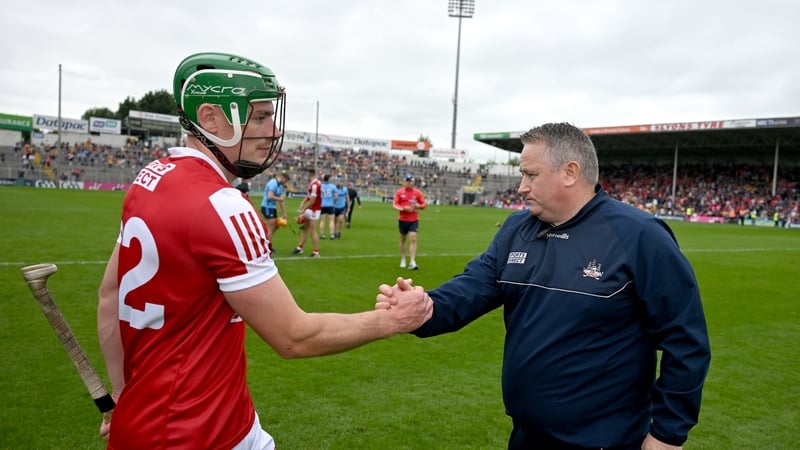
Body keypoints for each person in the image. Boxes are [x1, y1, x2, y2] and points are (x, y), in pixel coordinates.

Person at [96, 52, 432, 450]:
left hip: (155, 420)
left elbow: (109, 297)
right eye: (258, 117)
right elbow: (294, 336)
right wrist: (391, 321)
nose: (272, 131)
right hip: (203, 432)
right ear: (209, 118)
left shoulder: (148, 179)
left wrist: (120, 395)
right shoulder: (222, 204)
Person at [377, 122, 711, 450]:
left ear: (569, 172)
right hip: (526, 435)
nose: (521, 187)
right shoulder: (517, 229)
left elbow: (685, 340)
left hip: (604, 441)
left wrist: (667, 434)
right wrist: (424, 308)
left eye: (531, 175)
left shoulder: (640, 235)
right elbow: (473, 286)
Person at [392, 173, 426, 270]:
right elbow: (395, 204)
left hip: (414, 219)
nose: (409, 183)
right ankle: (403, 258)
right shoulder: (399, 192)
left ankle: (412, 261)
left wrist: (418, 206)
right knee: (403, 239)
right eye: (407, 181)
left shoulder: (417, 193)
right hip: (403, 219)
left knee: (413, 238)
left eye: (410, 181)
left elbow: (423, 204)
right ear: (404, 182)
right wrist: (403, 208)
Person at [292, 168, 322, 257]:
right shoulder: (314, 184)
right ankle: (299, 247)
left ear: (310, 174)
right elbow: (308, 197)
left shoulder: (315, 185)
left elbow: (312, 200)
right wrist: (302, 205)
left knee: (312, 230)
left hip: (314, 210)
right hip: (311, 209)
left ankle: (316, 252)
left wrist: (303, 209)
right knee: (305, 229)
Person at [260, 171, 290, 253]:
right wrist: (280, 199)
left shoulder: (280, 186)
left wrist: (285, 213)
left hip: (272, 208)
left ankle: (266, 241)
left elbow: (281, 201)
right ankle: (267, 247)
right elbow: (270, 196)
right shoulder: (273, 183)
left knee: (276, 225)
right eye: (285, 180)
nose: (285, 182)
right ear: (282, 178)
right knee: (271, 227)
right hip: (267, 206)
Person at [318, 174, 336, 239]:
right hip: (330, 205)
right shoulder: (333, 186)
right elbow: (336, 196)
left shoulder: (321, 186)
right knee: (331, 220)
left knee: (322, 221)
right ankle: (332, 235)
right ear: (328, 179)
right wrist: (334, 202)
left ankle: (322, 234)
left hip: (322, 205)